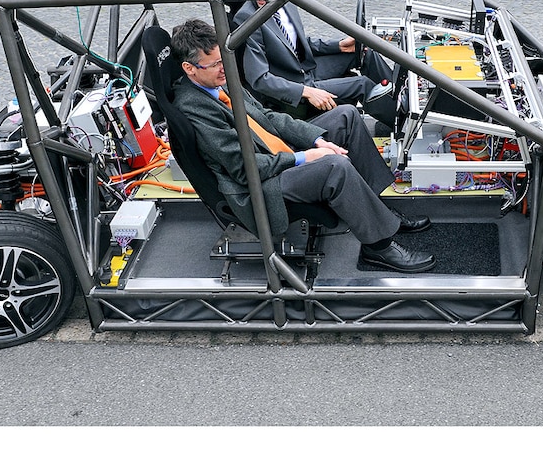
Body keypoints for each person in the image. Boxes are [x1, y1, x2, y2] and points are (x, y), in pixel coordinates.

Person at [170, 18, 435, 273]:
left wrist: (315, 138)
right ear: (189, 68)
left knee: (347, 116)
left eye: (223, 61)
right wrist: (305, 156)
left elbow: (268, 117)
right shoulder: (194, 107)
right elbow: (243, 168)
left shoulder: (217, 80)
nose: (224, 68)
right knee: (335, 166)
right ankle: (378, 247)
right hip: (258, 184)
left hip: (272, 153)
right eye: (215, 64)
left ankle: (376, 210)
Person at [233, 0, 395, 124]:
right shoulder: (247, 18)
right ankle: (400, 125)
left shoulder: (285, 0)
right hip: (294, 83)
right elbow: (259, 79)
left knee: (365, 53)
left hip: (308, 68)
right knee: (362, 84)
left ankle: (399, 97)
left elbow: (297, 43)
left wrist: (339, 46)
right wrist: (306, 91)